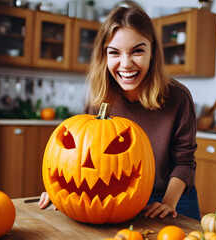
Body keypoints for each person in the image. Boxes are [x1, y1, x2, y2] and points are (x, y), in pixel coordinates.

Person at [39, 1, 200, 220]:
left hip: (172, 197)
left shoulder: (178, 98)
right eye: (114, 52)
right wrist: (63, 190)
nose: (125, 64)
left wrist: (168, 203)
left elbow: (184, 162)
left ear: (152, 52)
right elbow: (82, 157)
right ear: (104, 56)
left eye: (137, 51)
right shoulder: (99, 99)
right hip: (117, 195)